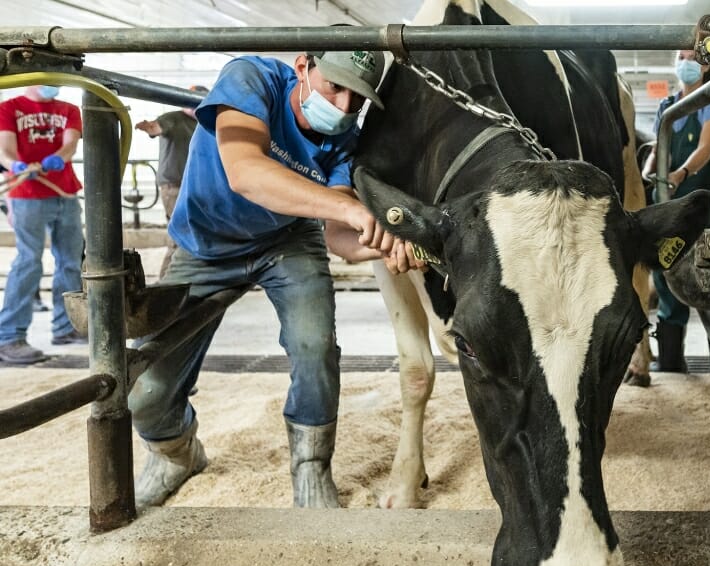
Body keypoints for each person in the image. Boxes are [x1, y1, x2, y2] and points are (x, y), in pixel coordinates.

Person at [129, 49, 421, 509]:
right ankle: (174, 453)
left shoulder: (344, 139)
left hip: (287, 241)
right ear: (303, 66)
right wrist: (347, 208)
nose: (344, 107)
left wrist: (388, 243)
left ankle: (311, 468)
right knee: (144, 389)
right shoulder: (252, 78)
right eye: (334, 87)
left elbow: (340, 238)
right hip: (204, 245)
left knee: (314, 344)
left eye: (356, 100)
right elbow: (246, 173)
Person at [642, 50, 710, 374]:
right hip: (669, 210)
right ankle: (671, 363)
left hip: (707, 210)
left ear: (707, 65)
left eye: (694, 57)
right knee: (668, 281)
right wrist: (650, 170)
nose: (686, 62)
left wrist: (680, 173)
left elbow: (707, 146)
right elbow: (657, 148)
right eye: (682, 55)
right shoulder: (666, 106)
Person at [0, 84, 87, 364]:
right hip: (26, 194)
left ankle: (66, 327)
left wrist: (55, 160)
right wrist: (15, 166)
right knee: (29, 261)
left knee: (71, 261)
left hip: (65, 193)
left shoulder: (69, 109)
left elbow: (70, 144)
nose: (54, 85)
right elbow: (4, 150)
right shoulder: (8, 108)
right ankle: (9, 337)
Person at [134, 85, 209, 277]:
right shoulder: (173, 118)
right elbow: (156, 127)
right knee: (180, 235)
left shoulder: (204, 122)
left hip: (197, 187)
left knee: (195, 234)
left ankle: (185, 281)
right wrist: (149, 127)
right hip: (174, 186)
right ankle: (166, 283)